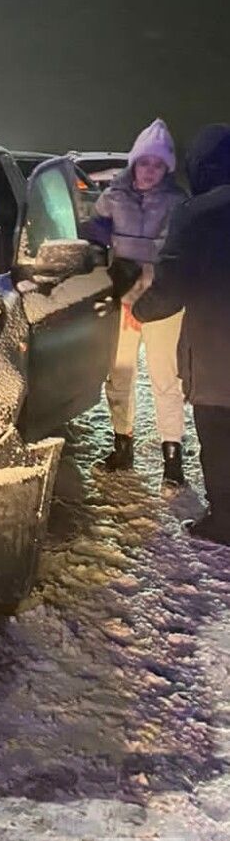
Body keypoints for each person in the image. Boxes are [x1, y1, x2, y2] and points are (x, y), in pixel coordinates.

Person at [135, 124, 230, 542]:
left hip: (216, 356)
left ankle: (224, 520)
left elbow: (169, 291)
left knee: (219, 439)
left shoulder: (196, 214)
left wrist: (139, 307)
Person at [85, 118, 188, 484]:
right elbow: (94, 247)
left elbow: (182, 258)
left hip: (161, 303)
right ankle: (122, 445)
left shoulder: (179, 205)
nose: (149, 171)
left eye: (158, 164)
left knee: (165, 378)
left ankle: (172, 461)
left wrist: (150, 289)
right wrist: (111, 287)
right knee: (120, 374)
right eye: (144, 162)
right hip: (122, 298)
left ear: (167, 168)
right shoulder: (112, 198)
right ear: (134, 163)